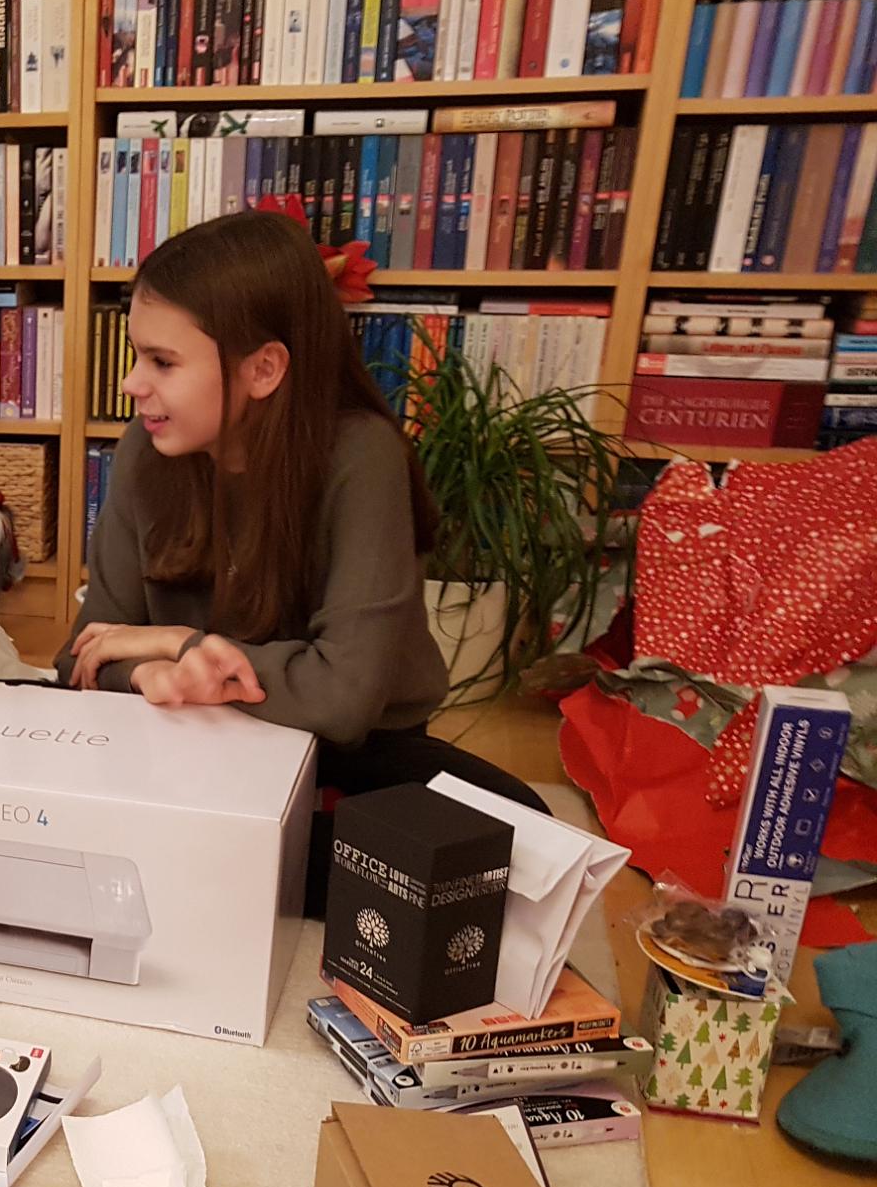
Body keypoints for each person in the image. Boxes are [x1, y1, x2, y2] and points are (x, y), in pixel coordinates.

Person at [56, 211, 546, 913]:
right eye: (139, 356)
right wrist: (149, 673)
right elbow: (85, 654)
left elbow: (343, 702)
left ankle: (209, 864)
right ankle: (229, 865)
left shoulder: (361, 457)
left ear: (263, 369)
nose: (134, 383)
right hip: (191, 736)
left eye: (162, 362)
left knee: (525, 837)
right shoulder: (146, 449)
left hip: (350, 751)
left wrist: (179, 643)